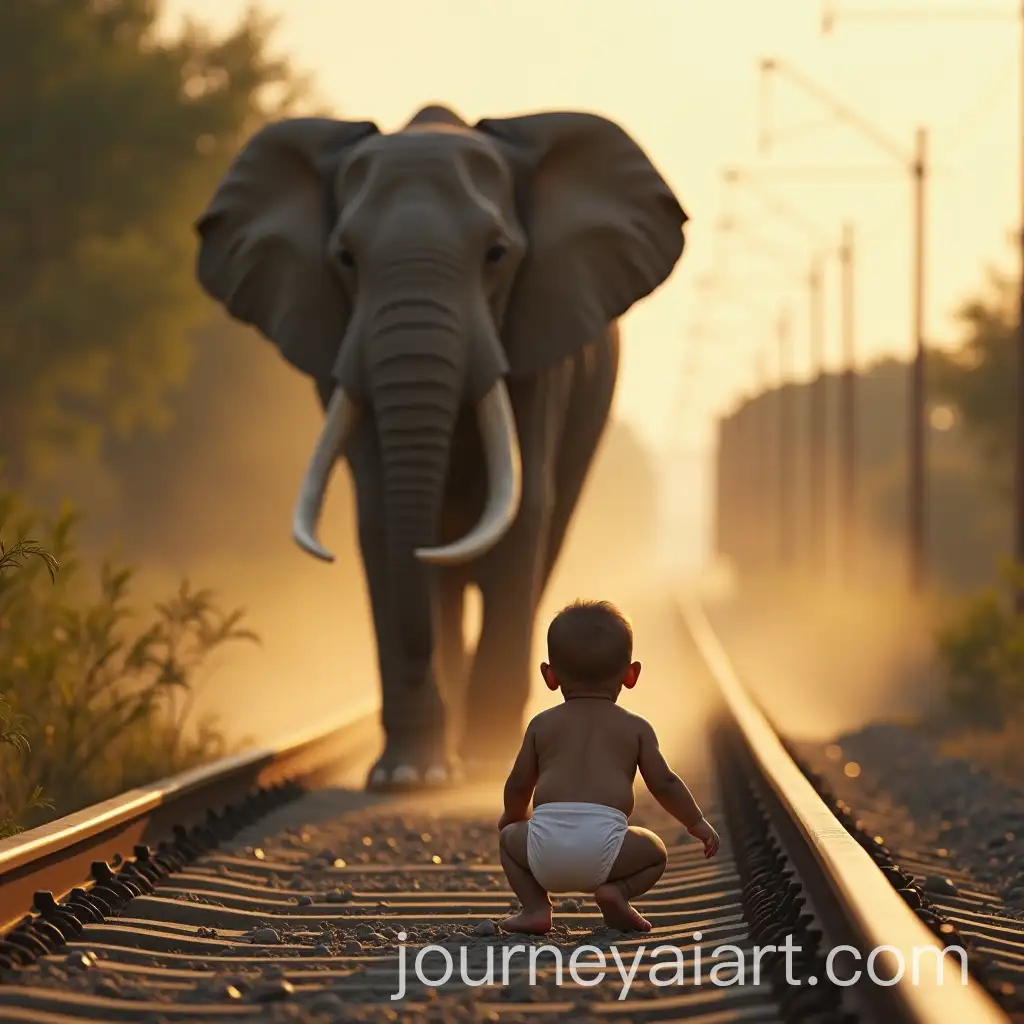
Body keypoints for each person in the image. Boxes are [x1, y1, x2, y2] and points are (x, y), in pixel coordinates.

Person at [497, 599, 720, 934]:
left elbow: (518, 784)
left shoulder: (541, 726)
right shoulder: (636, 728)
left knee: (508, 840)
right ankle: (616, 892)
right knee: (655, 851)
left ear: (550, 675)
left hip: (544, 851)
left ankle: (535, 908)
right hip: (608, 851)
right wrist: (696, 822)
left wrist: (513, 819)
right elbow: (665, 783)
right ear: (631, 674)